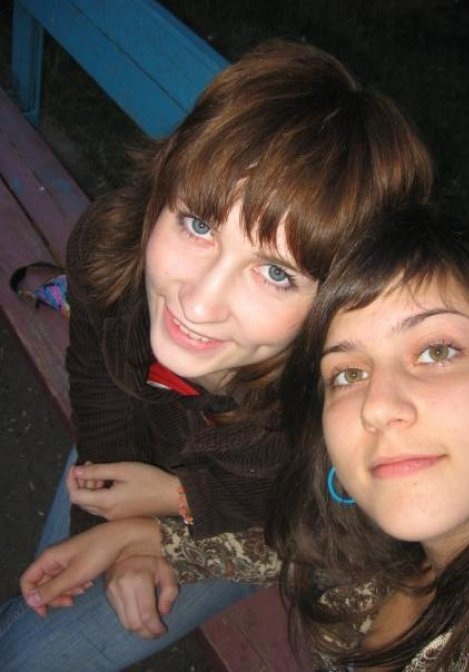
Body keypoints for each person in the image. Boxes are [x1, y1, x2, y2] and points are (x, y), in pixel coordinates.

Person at [0, 41, 432, 671]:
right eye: (199, 224)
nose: (198, 303)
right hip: (144, 447)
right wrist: (107, 532)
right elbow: (99, 385)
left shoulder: (345, 401)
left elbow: (322, 524)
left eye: (276, 273)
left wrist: (177, 509)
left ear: (343, 300)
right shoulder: (110, 249)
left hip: (238, 526)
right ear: (162, 191)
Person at [269, 209, 469, 671]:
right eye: (348, 374)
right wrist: (168, 529)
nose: (374, 407)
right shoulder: (371, 556)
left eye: (437, 351)